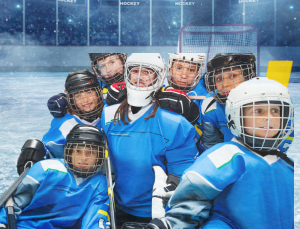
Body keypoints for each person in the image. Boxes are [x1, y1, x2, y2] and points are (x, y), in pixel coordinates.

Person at [146, 77, 294, 229]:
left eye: (275, 111)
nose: (269, 118)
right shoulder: (227, 155)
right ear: (236, 115)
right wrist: (171, 224)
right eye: (258, 111)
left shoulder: (287, 165)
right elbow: (193, 195)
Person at [101, 53, 199, 228]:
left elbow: (183, 173)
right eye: (134, 71)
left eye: (147, 72)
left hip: (157, 212)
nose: (139, 77)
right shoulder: (108, 115)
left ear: (159, 77)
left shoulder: (174, 123)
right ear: (127, 75)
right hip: (117, 206)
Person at [0, 124, 111, 229]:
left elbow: (95, 219)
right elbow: (13, 203)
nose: (83, 158)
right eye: (78, 151)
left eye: (90, 153)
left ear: (99, 157)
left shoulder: (99, 183)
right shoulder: (45, 169)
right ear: (70, 153)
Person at [17, 69, 104, 175]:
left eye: (89, 92)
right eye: (78, 96)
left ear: (99, 92)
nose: (85, 100)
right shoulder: (65, 123)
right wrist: (35, 153)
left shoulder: (110, 114)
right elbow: (49, 149)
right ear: (70, 99)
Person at [199, 53, 256, 151]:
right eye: (219, 79)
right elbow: (211, 144)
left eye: (233, 76)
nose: (225, 84)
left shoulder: (269, 102)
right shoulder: (210, 107)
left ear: (247, 76)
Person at [47, 53, 127, 118]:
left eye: (112, 62)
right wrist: (63, 100)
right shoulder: (99, 84)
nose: (108, 70)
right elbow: (79, 92)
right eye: (102, 66)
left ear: (123, 60)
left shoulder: (136, 78)